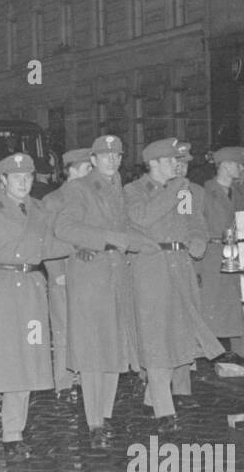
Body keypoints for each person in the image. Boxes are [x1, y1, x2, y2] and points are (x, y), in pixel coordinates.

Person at [0, 152, 69, 460]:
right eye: (16, 177)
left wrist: (81, 244)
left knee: (26, 362)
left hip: (30, 294)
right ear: (3, 180)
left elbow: (46, 246)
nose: (24, 182)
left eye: (29, 177)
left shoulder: (38, 209)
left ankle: (13, 432)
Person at [54, 135, 146, 448]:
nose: (112, 160)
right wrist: (104, 239)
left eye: (117, 155)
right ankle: (94, 422)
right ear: (92, 159)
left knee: (114, 348)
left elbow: (129, 229)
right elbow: (64, 228)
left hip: (116, 275)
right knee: (94, 352)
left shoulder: (117, 189)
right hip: (91, 279)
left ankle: (104, 415)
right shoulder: (77, 188)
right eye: (105, 155)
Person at [124, 138, 223, 429]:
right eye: (170, 160)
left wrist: (197, 240)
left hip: (181, 267)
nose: (178, 165)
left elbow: (196, 223)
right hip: (150, 269)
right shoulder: (133, 191)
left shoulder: (187, 191)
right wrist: (173, 189)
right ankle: (164, 410)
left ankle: (151, 398)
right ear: (152, 163)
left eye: (178, 161)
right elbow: (143, 217)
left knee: (179, 333)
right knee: (156, 336)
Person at [199, 146, 244, 373]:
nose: (243, 169)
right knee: (215, 308)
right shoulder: (202, 193)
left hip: (240, 255)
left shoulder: (243, 192)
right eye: (239, 165)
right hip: (213, 257)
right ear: (226, 166)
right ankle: (214, 355)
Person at [40, 149, 94, 400]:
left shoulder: (91, 196)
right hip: (63, 273)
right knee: (62, 331)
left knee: (87, 328)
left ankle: (85, 377)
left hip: (90, 274)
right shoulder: (53, 200)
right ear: (71, 169)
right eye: (87, 168)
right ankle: (63, 382)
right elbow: (47, 239)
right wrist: (56, 272)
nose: (91, 173)